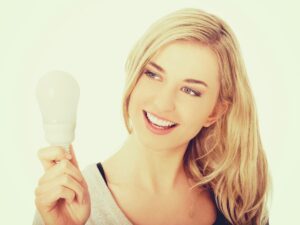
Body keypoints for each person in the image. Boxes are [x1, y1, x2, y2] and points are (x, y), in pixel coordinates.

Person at [33, 8, 270, 225]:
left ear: (215, 112)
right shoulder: (66, 203)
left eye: (190, 90)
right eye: (153, 74)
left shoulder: (238, 202)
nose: (162, 103)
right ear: (134, 74)